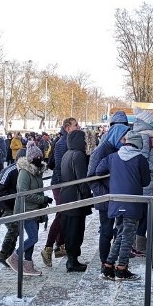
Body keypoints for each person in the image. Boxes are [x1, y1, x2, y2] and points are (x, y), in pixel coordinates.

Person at [96, 131, 150, 280]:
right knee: (128, 236)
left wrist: (115, 183)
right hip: (132, 202)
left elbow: (99, 170)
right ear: (138, 144)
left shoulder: (112, 157)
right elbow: (146, 182)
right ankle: (121, 269)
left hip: (116, 201)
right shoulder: (140, 159)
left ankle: (108, 266)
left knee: (120, 234)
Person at [87, 112, 132, 264]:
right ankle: (104, 260)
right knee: (106, 230)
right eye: (123, 137)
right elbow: (91, 178)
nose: (124, 140)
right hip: (106, 198)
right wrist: (107, 195)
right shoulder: (101, 150)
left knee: (120, 230)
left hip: (118, 196)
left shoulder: (120, 149)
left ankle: (114, 258)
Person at [6, 142, 50, 276]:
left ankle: (28, 264)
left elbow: (38, 190)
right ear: (31, 159)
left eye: (40, 157)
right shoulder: (25, 172)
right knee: (33, 238)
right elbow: (23, 194)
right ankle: (15, 256)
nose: (40, 160)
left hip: (35, 210)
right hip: (25, 210)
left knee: (33, 237)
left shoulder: (37, 171)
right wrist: (42, 199)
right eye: (37, 157)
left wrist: (43, 201)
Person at [42, 118, 79, 267]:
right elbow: (60, 166)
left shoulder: (70, 140)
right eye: (76, 125)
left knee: (65, 215)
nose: (79, 127)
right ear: (68, 127)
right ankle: (48, 247)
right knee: (62, 214)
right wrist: (65, 185)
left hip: (67, 184)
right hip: (61, 184)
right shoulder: (63, 142)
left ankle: (60, 245)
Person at [132, 109, 153, 256]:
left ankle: (142, 241)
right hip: (147, 182)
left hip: (149, 181)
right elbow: (143, 160)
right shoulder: (145, 137)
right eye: (152, 120)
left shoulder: (148, 135)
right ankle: (140, 245)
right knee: (145, 215)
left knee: (146, 214)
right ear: (146, 122)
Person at [59, 128, 91, 272]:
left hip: (66, 197)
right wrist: (87, 197)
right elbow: (82, 180)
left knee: (70, 230)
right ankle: (72, 261)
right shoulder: (78, 155)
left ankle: (72, 259)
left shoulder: (67, 154)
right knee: (75, 231)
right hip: (75, 200)